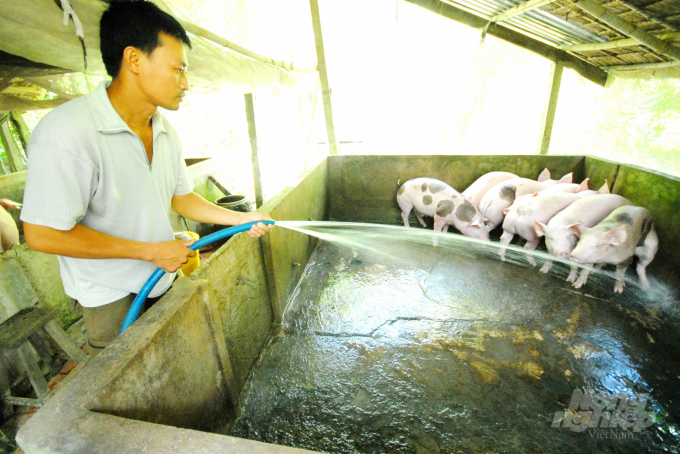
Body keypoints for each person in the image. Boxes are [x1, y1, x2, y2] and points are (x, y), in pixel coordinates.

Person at [20, 0, 274, 356]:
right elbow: (42, 233)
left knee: (176, 364)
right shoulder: (66, 132)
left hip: (160, 278)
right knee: (125, 386)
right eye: (177, 69)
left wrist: (242, 218)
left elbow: (180, 197)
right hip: (110, 297)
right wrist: (150, 251)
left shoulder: (163, 129)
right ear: (134, 60)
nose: (185, 83)